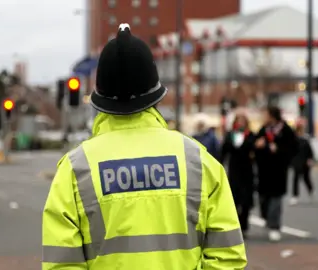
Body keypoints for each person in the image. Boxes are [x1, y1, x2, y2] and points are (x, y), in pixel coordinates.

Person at [42, 24, 247, 270]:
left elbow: (62, 265)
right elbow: (228, 257)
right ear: (156, 95)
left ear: (101, 98)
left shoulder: (75, 169)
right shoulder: (198, 161)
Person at [254, 106, 298, 242]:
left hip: (278, 171)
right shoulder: (263, 130)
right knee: (263, 199)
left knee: (276, 199)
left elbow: (294, 148)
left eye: (265, 115)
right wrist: (258, 146)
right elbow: (254, 146)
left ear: (272, 116)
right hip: (264, 171)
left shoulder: (285, 131)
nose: (264, 118)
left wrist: (279, 150)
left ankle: (275, 226)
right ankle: (267, 218)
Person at [220, 110, 256, 238]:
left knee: (246, 201)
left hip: (247, 171)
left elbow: (255, 150)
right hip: (234, 171)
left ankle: (244, 226)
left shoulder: (251, 135)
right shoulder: (230, 135)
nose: (241, 123)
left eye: (243, 121)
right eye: (238, 120)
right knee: (234, 200)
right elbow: (223, 152)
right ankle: (236, 227)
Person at [289, 125, 314, 206]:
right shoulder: (293, 141)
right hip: (297, 162)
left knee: (306, 178)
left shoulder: (305, 140)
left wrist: (310, 159)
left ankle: (310, 190)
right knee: (295, 179)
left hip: (305, 162)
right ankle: (295, 196)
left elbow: (310, 151)